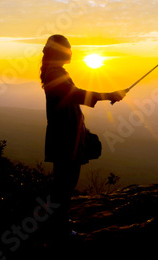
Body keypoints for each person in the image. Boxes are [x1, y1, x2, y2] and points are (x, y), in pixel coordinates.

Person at [40, 34, 126, 243]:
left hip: (67, 135)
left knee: (64, 184)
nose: (71, 52)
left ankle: (60, 224)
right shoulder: (54, 73)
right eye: (68, 48)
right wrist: (109, 95)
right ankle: (59, 231)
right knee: (64, 185)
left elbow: (72, 100)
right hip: (64, 139)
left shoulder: (56, 72)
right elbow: (75, 94)